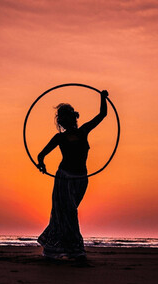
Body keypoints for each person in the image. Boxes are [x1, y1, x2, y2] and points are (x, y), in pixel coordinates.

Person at [37, 90, 109, 264]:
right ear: (62, 121)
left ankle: (65, 248)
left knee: (69, 212)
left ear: (73, 117)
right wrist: (42, 165)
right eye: (64, 118)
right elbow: (41, 155)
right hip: (64, 178)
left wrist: (103, 97)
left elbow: (102, 115)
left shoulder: (84, 130)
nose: (68, 120)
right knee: (67, 212)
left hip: (81, 179)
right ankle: (74, 251)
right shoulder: (59, 138)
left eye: (69, 117)